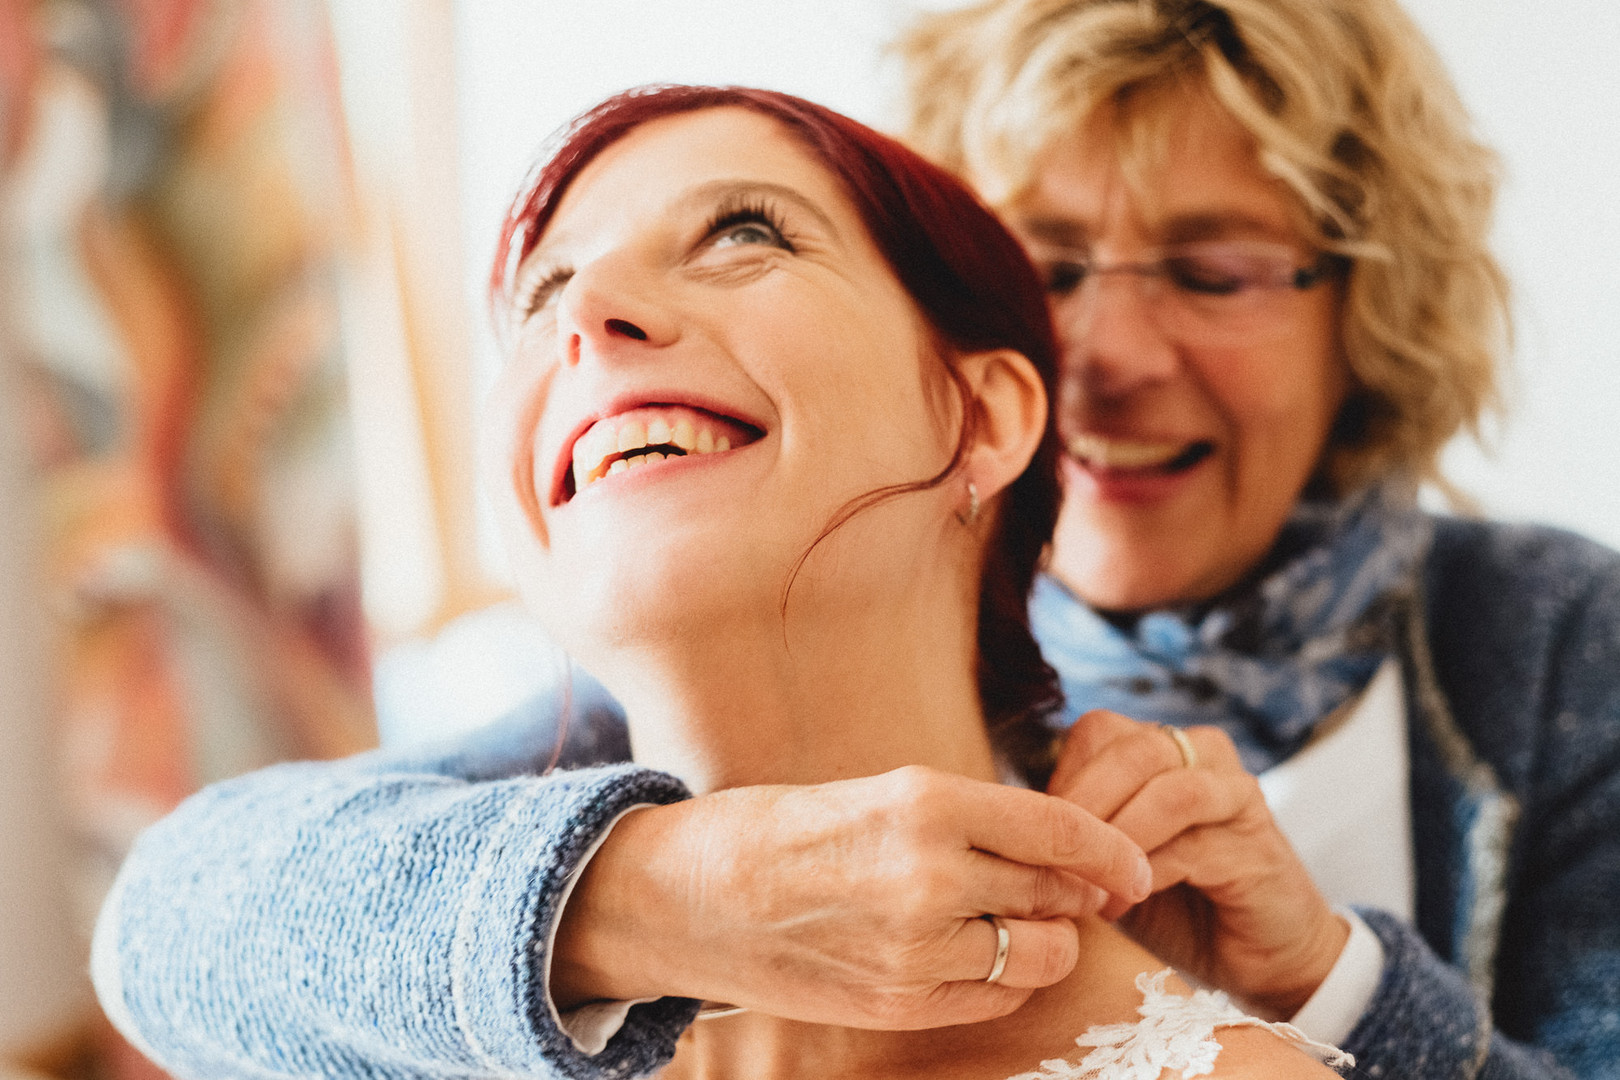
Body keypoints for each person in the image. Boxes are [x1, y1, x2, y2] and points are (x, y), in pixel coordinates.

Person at [95, 1, 1620, 1078]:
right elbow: (172, 927)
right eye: (1045, 264)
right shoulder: (632, 712)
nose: (1106, 354)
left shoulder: (1550, 646)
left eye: (1212, 272)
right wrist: (666, 892)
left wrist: (1333, 981)